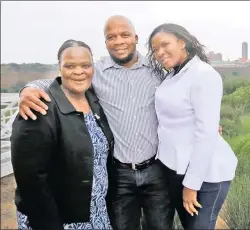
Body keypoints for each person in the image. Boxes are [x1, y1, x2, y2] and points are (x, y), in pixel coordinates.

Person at [17, 15, 173, 230]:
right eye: (111, 37)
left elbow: (182, 94)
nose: (119, 41)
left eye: (125, 35)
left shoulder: (157, 70)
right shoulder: (94, 71)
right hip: (119, 174)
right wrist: (27, 89)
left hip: (155, 169)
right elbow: (63, 78)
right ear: (106, 42)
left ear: (136, 38)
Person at [11, 39, 114, 229]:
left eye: (85, 65)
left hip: (96, 214)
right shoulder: (39, 108)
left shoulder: (94, 100)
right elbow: (31, 181)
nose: (78, 71)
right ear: (59, 68)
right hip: (59, 220)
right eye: (70, 66)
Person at [148, 23, 238, 229]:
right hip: (177, 168)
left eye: (165, 45)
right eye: (155, 49)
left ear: (182, 42)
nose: (160, 52)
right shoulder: (173, 74)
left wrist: (191, 185)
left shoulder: (203, 74)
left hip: (206, 176)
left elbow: (206, 134)